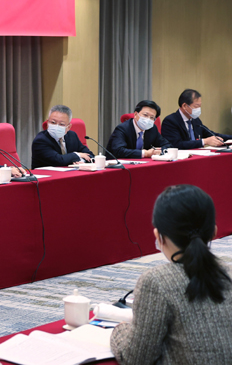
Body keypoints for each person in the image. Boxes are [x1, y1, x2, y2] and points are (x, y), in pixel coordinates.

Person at [110, 185, 232, 363]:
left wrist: (118, 331)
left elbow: (136, 358)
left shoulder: (156, 282)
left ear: (159, 236)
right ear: (213, 232)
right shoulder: (226, 273)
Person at [161, 88, 232, 150]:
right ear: (185, 106)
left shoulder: (195, 120)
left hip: (196, 156)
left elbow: (210, 134)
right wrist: (204, 141)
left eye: (199, 106)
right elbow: (176, 144)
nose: (198, 109)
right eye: (196, 106)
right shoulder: (170, 121)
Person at [107, 100, 172, 159]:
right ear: (135, 114)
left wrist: (158, 151)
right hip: (118, 166)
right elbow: (119, 151)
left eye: (152, 117)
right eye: (145, 115)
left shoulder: (152, 129)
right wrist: (145, 153)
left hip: (142, 165)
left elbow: (167, 145)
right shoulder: (122, 128)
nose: (148, 120)